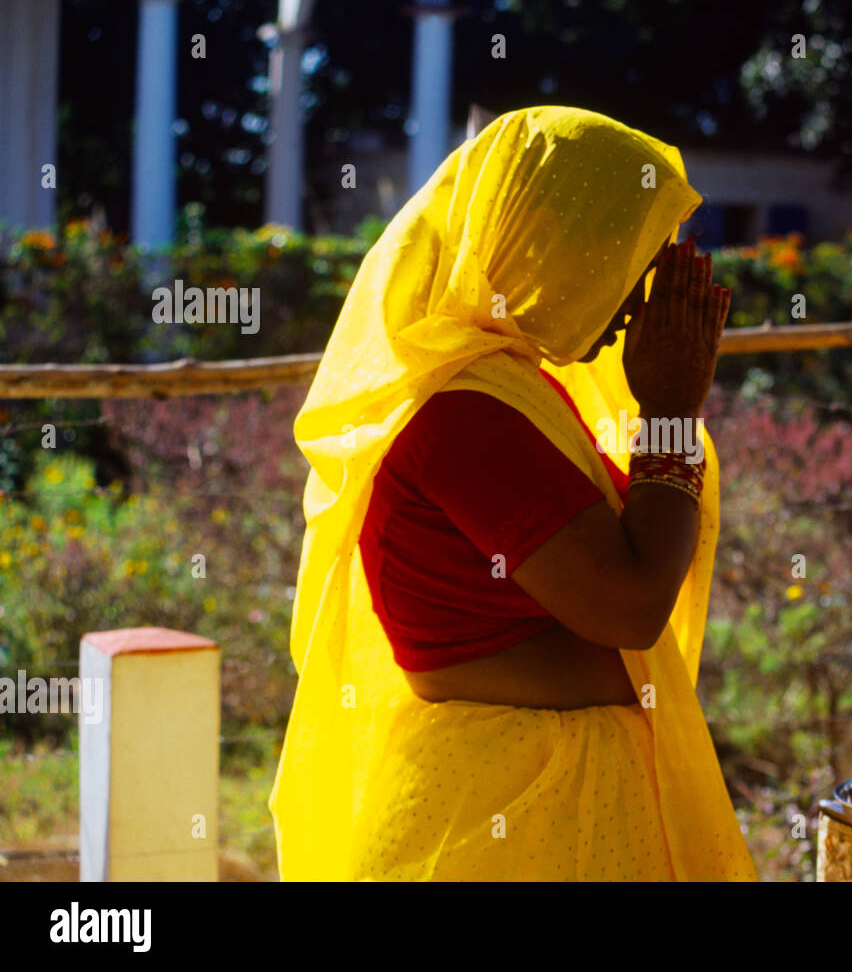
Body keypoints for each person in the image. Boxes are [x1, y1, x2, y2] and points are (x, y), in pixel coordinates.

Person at [269, 104, 758, 881]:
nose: (640, 296)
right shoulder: (466, 414)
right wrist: (667, 413)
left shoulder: (508, 387)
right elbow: (629, 605)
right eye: (625, 254)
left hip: (535, 795)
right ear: (556, 247)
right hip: (512, 809)